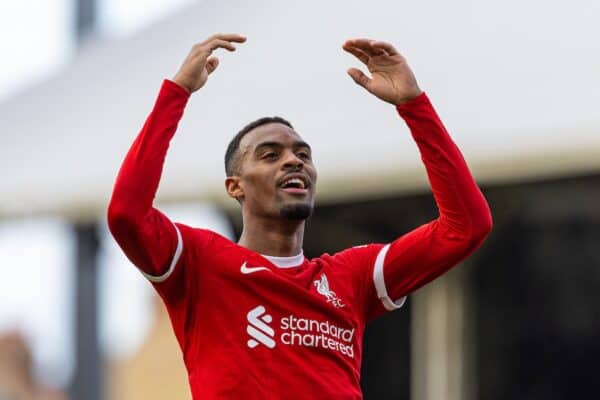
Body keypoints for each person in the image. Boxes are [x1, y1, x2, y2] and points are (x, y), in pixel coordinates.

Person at [107, 33, 492, 399]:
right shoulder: (199, 264)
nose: (294, 161)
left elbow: (466, 227)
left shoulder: (351, 277)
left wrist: (414, 106)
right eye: (270, 155)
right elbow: (126, 213)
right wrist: (177, 93)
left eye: (303, 155)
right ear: (235, 187)